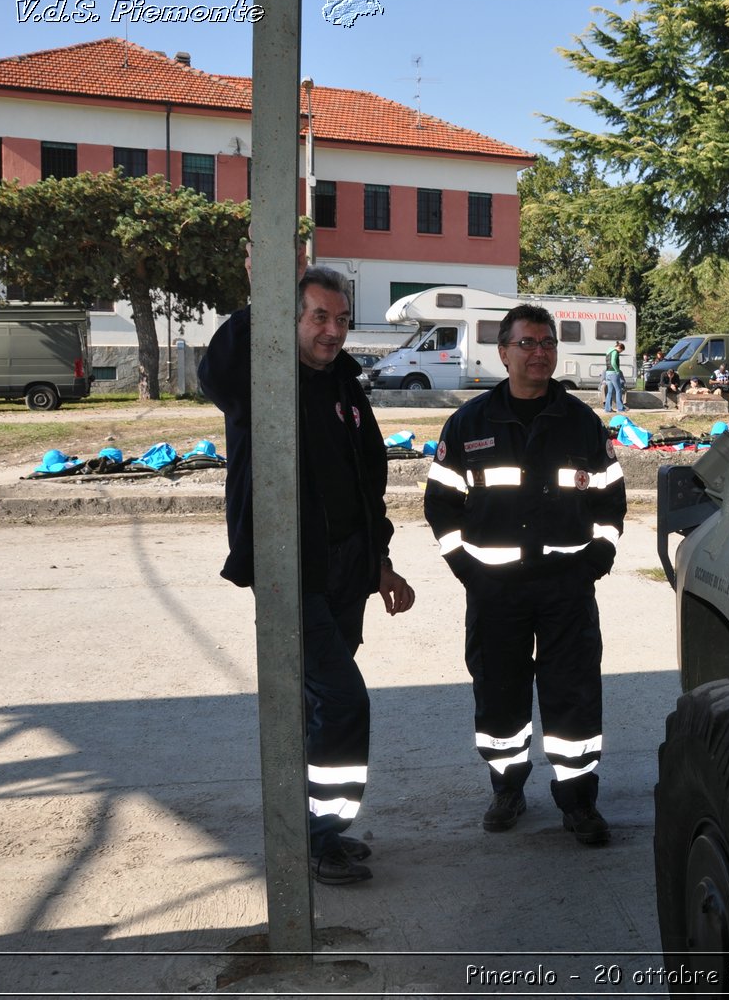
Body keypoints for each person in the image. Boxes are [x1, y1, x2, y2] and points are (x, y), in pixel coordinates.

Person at [198, 264, 417, 887]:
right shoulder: (261, 378)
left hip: (347, 570)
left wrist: (381, 564)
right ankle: (317, 838)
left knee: (320, 706)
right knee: (343, 701)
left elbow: (364, 483)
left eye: (342, 320)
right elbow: (217, 373)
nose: (333, 331)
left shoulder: (345, 384)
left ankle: (318, 830)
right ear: (288, 318)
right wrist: (260, 295)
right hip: (292, 574)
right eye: (319, 317)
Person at [423, 304, 625, 846]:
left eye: (547, 343)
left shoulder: (583, 424)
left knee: (574, 697)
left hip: (566, 591)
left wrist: (596, 559)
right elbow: (441, 507)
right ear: (503, 352)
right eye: (528, 343)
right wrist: (468, 569)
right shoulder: (469, 424)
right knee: (500, 695)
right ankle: (506, 788)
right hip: (496, 594)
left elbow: (611, 502)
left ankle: (579, 801)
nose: (539, 353)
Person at [602, 340, 625, 414]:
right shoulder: (615, 352)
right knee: (618, 390)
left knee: (609, 392)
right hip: (613, 373)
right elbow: (613, 362)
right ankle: (620, 408)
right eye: (621, 351)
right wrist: (617, 370)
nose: (620, 352)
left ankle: (607, 409)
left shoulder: (609, 351)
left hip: (607, 372)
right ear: (620, 348)